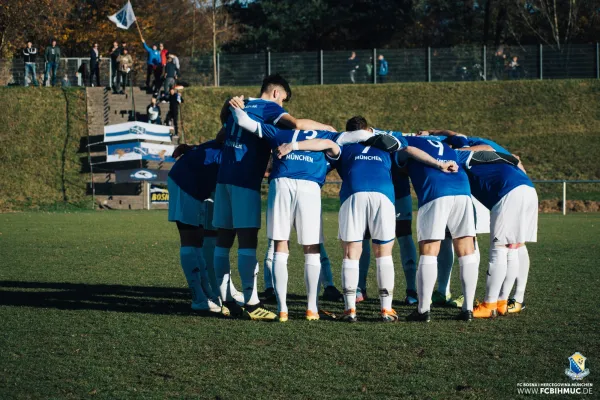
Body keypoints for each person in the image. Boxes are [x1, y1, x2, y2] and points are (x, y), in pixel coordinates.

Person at [212, 74, 336, 321]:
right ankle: (251, 302)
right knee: (247, 241)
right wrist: (328, 128)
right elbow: (297, 124)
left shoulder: (240, 104)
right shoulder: (269, 107)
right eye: (284, 100)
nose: (283, 106)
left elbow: (220, 136)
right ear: (277, 93)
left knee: (223, 242)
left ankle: (225, 300)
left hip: (223, 177)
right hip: (245, 179)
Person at [395, 135, 479, 322]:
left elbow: (406, 151)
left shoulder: (406, 141)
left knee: (429, 251)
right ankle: (468, 309)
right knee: (466, 250)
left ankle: (423, 310)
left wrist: (435, 164)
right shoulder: (444, 146)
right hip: (462, 191)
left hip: (435, 191)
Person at [167, 138, 228, 315]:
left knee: (198, 240)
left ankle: (206, 292)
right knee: (190, 239)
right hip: (184, 182)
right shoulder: (236, 146)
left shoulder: (235, 144)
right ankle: (198, 298)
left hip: (195, 183)